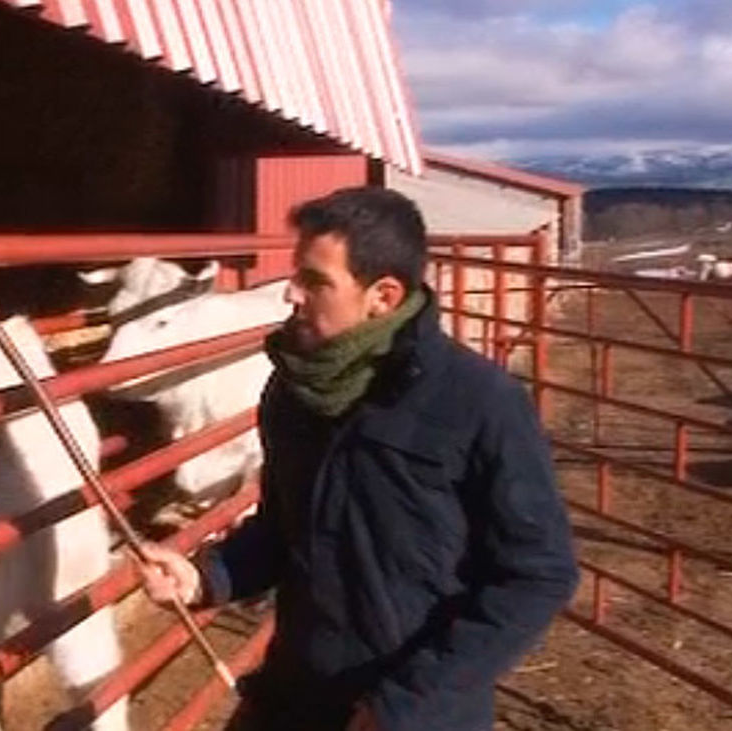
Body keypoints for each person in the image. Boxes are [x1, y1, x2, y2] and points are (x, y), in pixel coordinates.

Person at [139, 187, 578, 730]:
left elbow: (538, 574)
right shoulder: (293, 391)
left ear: (383, 296)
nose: (291, 293)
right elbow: (282, 528)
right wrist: (205, 577)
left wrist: (407, 702)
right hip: (297, 692)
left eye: (315, 281)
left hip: (415, 711)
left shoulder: (480, 402)